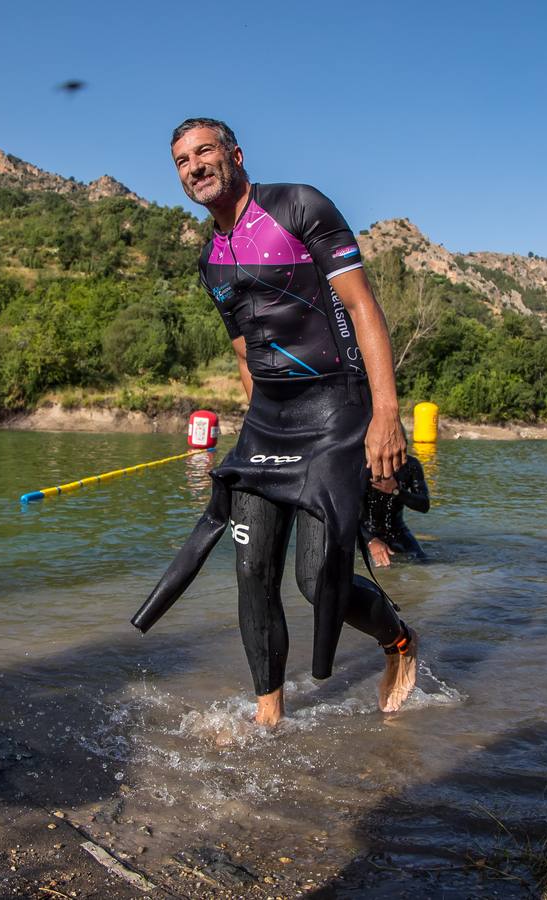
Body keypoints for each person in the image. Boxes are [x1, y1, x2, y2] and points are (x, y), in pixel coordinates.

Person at [131, 118, 418, 726]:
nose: (194, 167)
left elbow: (363, 307)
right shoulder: (209, 260)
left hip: (336, 412)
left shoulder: (298, 207)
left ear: (234, 154)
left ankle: (397, 639)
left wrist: (385, 416)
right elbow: (244, 350)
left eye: (204, 152)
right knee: (252, 571)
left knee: (318, 582)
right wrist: (257, 425)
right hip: (268, 422)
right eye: (182, 161)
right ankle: (270, 719)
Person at [362, 456, 430, 566]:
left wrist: (396, 491)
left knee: (425, 563)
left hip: (398, 531)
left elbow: (424, 505)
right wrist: (370, 540)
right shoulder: (362, 463)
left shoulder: (410, 464)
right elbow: (345, 514)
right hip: (363, 531)